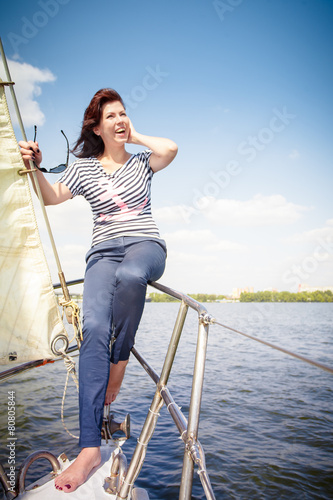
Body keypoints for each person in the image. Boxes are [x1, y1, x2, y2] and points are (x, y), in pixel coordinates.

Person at [19, 88, 178, 493]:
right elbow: (51, 197)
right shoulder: (84, 168)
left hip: (145, 247)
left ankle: (119, 361)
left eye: (124, 114)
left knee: (131, 277)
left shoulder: (143, 162)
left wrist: (134, 134)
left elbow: (171, 148)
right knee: (91, 328)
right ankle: (89, 448)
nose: (120, 120)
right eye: (112, 116)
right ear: (96, 126)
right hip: (103, 253)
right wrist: (35, 166)